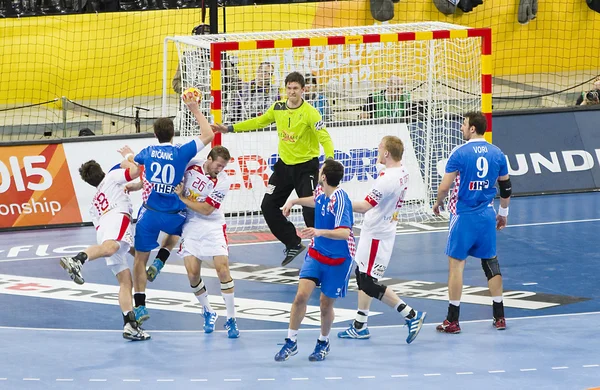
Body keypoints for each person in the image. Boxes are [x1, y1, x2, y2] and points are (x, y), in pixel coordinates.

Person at [212, 71, 335, 267]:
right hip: (284, 168)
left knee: (310, 210)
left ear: (303, 90)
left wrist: (328, 160)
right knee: (268, 206)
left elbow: (325, 138)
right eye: (289, 88)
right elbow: (258, 121)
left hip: (306, 168)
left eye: (295, 88)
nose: (292, 92)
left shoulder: (311, 113)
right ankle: (292, 242)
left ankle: (323, 253)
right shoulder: (278, 108)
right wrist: (230, 128)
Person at [127, 92, 214, 325]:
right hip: (174, 213)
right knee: (176, 233)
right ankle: (161, 261)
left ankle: (141, 306)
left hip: (151, 212)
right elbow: (208, 135)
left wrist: (127, 155)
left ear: (155, 135)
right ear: (173, 134)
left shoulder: (147, 152)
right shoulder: (181, 152)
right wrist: (195, 109)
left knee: (138, 260)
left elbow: (135, 159)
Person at [337, 136, 426, 343]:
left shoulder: (388, 180)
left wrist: (340, 202)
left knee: (367, 282)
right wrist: (381, 163)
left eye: (380, 148)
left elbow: (365, 206)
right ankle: (360, 325)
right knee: (361, 274)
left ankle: (411, 315)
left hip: (377, 234)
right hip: (376, 229)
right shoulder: (401, 171)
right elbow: (384, 169)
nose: (377, 150)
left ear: (387, 153)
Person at [433, 111, 512, 333]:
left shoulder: (460, 152)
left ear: (473, 129)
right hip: (487, 214)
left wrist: (437, 203)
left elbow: (444, 187)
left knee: (456, 266)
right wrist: (503, 213)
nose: (461, 127)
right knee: (491, 264)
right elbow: (506, 187)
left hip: (463, 216)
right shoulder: (497, 153)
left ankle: (453, 320)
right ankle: (499, 317)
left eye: (464, 124)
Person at [59, 158, 150, 341]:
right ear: (101, 170)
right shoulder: (111, 177)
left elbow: (104, 231)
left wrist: (139, 256)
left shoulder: (94, 204)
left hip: (103, 229)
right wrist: (129, 160)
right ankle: (77, 260)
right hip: (117, 216)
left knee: (125, 281)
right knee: (111, 248)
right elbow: (136, 171)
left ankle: (129, 325)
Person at [274, 159, 354, 362]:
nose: (318, 172)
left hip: (338, 260)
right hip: (317, 254)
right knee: (301, 296)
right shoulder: (322, 193)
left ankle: (323, 341)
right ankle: (291, 341)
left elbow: (345, 233)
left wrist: (319, 231)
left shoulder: (340, 199)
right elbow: (313, 200)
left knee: (325, 305)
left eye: (321, 170)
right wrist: (293, 201)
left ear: (324, 177)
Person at [173, 145, 240, 338]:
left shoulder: (223, 181)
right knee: (192, 273)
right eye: (218, 165)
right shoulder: (192, 165)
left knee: (223, 269)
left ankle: (231, 319)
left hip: (213, 225)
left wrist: (182, 198)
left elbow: (207, 210)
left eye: (223, 166)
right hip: (191, 224)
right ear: (209, 159)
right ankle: (208, 311)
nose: (220, 169)